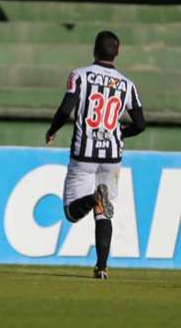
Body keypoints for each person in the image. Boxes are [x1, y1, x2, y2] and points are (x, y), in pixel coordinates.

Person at [45, 30, 144, 279]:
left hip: (84, 152)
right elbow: (140, 124)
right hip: (112, 156)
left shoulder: (80, 75)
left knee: (71, 212)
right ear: (118, 51)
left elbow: (66, 108)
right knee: (104, 212)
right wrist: (120, 134)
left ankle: (92, 198)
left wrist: (52, 129)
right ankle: (101, 267)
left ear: (94, 49)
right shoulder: (127, 85)